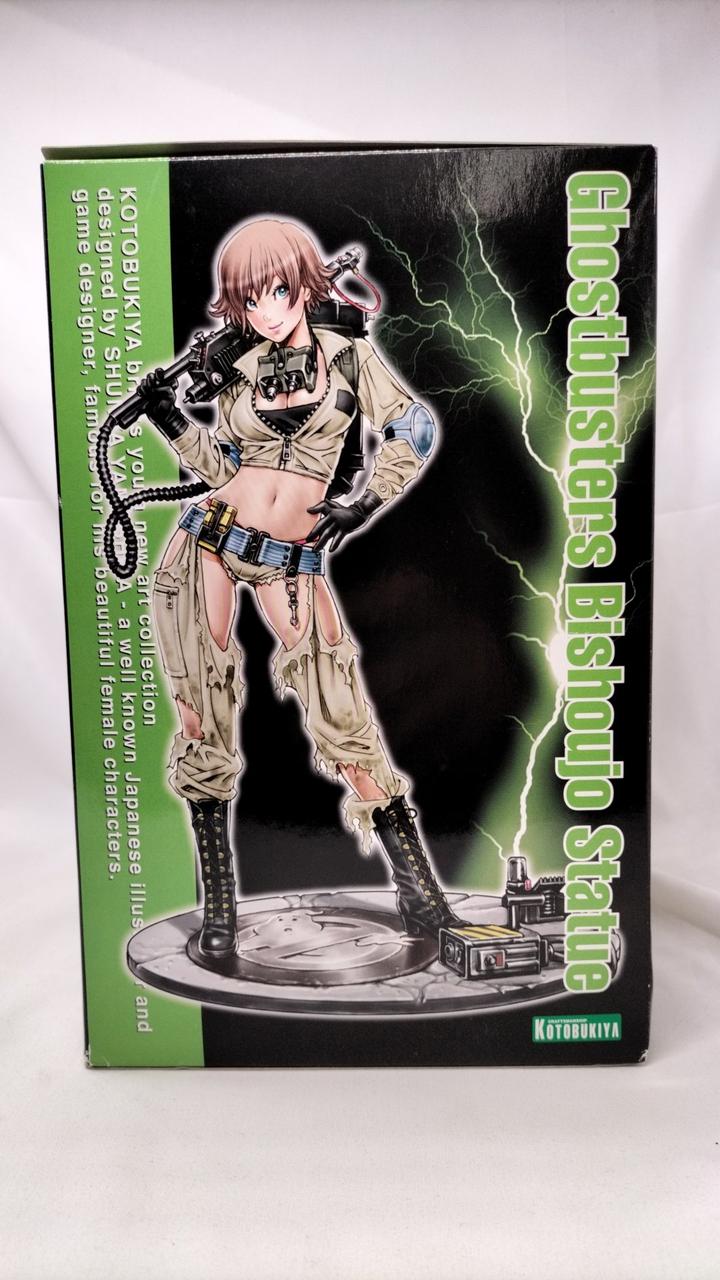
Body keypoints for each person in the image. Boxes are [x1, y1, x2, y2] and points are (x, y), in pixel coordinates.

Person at [139, 217, 465, 961]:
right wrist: (168, 419)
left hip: (294, 556)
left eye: (277, 290)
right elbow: (223, 470)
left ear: (304, 284)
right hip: (210, 543)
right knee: (201, 719)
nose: (264, 311)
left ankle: (424, 898)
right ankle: (219, 912)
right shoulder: (236, 366)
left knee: (342, 714)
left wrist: (364, 501)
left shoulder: (348, 354)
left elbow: (412, 426)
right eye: (248, 298)